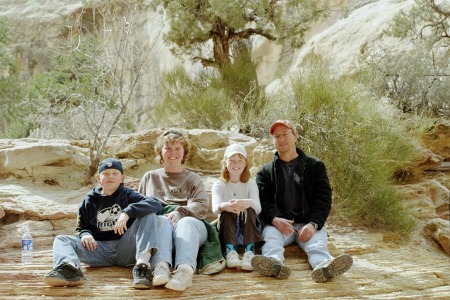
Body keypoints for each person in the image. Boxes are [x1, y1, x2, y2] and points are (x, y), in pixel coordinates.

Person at [251, 120, 353, 283]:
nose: (281, 139)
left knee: (317, 244)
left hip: (308, 224)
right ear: (273, 141)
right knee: (270, 237)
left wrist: (314, 224)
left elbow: (323, 198)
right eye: (277, 136)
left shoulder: (315, 166)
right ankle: (274, 264)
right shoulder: (265, 171)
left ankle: (324, 266)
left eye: (285, 134)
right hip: (281, 226)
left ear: (295, 137)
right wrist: (274, 219)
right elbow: (264, 200)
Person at [43, 158, 163, 289]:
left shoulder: (128, 194)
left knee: (149, 214)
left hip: (126, 249)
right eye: (106, 173)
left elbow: (156, 204)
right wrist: (85, 234)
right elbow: (80, 227)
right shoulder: (89, 200)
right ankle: (70, 270)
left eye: (114, 173)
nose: (110, 177)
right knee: (62, 240)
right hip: (99, 250)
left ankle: (141, 267)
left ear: (122, 178)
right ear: (98, 177)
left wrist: (127, 212)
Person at [138, 129, 216, 291]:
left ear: (184, 152)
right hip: (160, 231)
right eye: (168, 148)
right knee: (160, 221)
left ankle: (185, 271)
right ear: (160, 152)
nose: (172, 153)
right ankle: (161, 267)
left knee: (185, 222)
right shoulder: (150, 177)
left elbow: (201, 205)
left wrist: (181, 212)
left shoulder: (192, 178)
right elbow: (139, 206)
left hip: (191, 230)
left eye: (177, 148)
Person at [211, 144, 264, 271]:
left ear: (245, 163)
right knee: (228, 211)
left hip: (248, 225)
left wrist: (248, 203)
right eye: (232, 160)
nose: (236, 164)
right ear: (225, 162)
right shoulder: (219, 184)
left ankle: (250, 251)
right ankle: (230, 251)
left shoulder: (250, 184)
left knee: (249, 209)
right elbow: (215, 208)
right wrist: (227, 206)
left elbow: (258, 208)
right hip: (228, 227)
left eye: (240, 160)